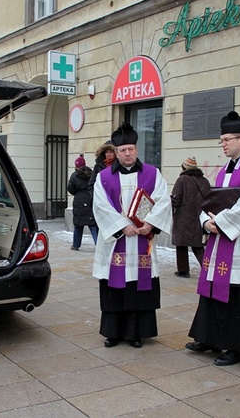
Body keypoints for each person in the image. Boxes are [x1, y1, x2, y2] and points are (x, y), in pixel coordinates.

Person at [185, 111, 240, 366]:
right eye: (221, 140)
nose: (222, 144)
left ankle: (237, 346)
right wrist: (205, 221)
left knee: (239, 296)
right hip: (220, 240)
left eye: (226, 139)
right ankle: (210, 337)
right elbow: (211, 202)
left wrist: (220, 223)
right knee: (213, 291)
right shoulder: (224, 169)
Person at [92, 123, 172, 348]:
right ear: (115, 153)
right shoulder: (104, 177)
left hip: (141, 238)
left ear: (136, 150)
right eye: (122, 150)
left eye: (131, 149)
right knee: (114, 285)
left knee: (138, 286)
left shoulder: (152, 173)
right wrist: (121, 227)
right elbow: (100, 206)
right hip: (116, 241)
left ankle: (136, 333)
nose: (127, 153)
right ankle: (113, 332)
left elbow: (163, 200)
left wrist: (150, 223)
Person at [171, 157, 211, 278]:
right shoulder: (204, 181)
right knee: (198, 245)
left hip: (183, 217)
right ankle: (208, 268)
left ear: (184, 168)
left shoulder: (182, 179)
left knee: (181, 244)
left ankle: (183, 271)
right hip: (200, 216)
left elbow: (176, 200)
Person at [67, 153, 98, 250]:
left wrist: (78, 192)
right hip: (90, 200)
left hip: (79, 202)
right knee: (92, 224)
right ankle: (98, 244)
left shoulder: (74, 175)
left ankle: (76, 245)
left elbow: (70, 188)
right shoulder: (91, 173)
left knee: (78, 225)